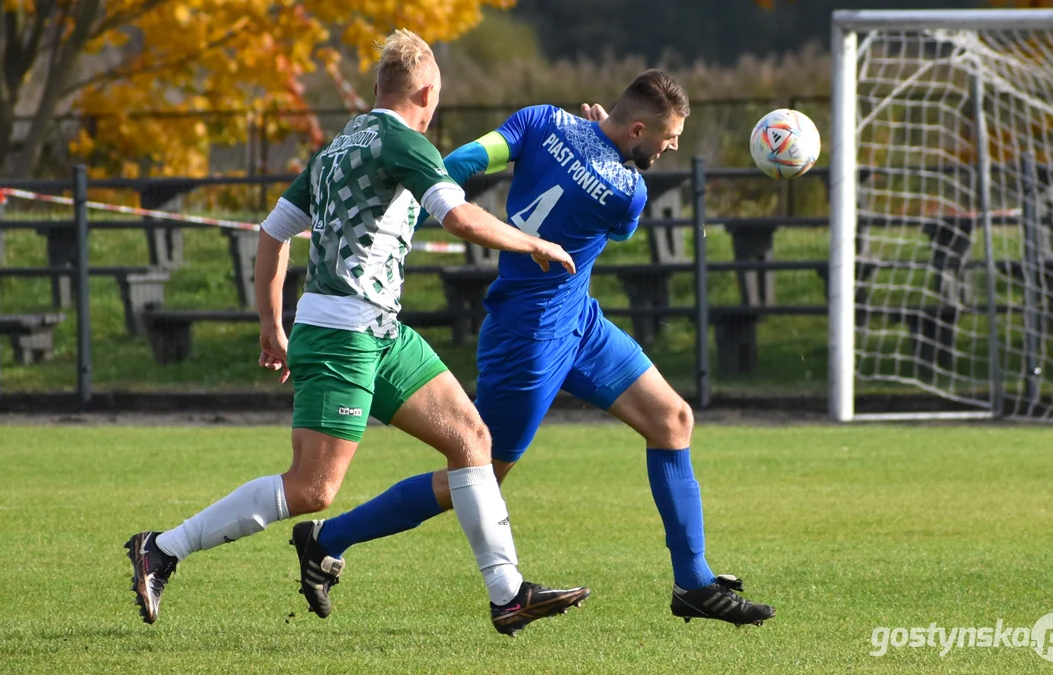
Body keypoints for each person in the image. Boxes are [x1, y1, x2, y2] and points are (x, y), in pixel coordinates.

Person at [124, 28, 590, 637]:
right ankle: (161, 548)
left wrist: (271, 324)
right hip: (344, 334)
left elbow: (272, 233)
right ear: (427, 91)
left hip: (379, 330)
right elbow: (460, 218)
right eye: (438, 99)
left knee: (472, 436)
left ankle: (508, 594)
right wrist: (532, 241)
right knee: (313, 489)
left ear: (377, 88)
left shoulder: (340, 145)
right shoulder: (403, 141)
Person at [292, 70, 776, 628]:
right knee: (475, 476)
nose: (672, 148)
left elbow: (461, 165)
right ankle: (329, 538)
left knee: (672, 419)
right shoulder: (629, 191)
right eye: (668, 138)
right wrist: (601, 146)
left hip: (579, 322)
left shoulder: (540, 119)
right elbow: (615, 226)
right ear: (638, 128)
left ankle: (693, 583)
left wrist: (587, 140)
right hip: (529, 339)